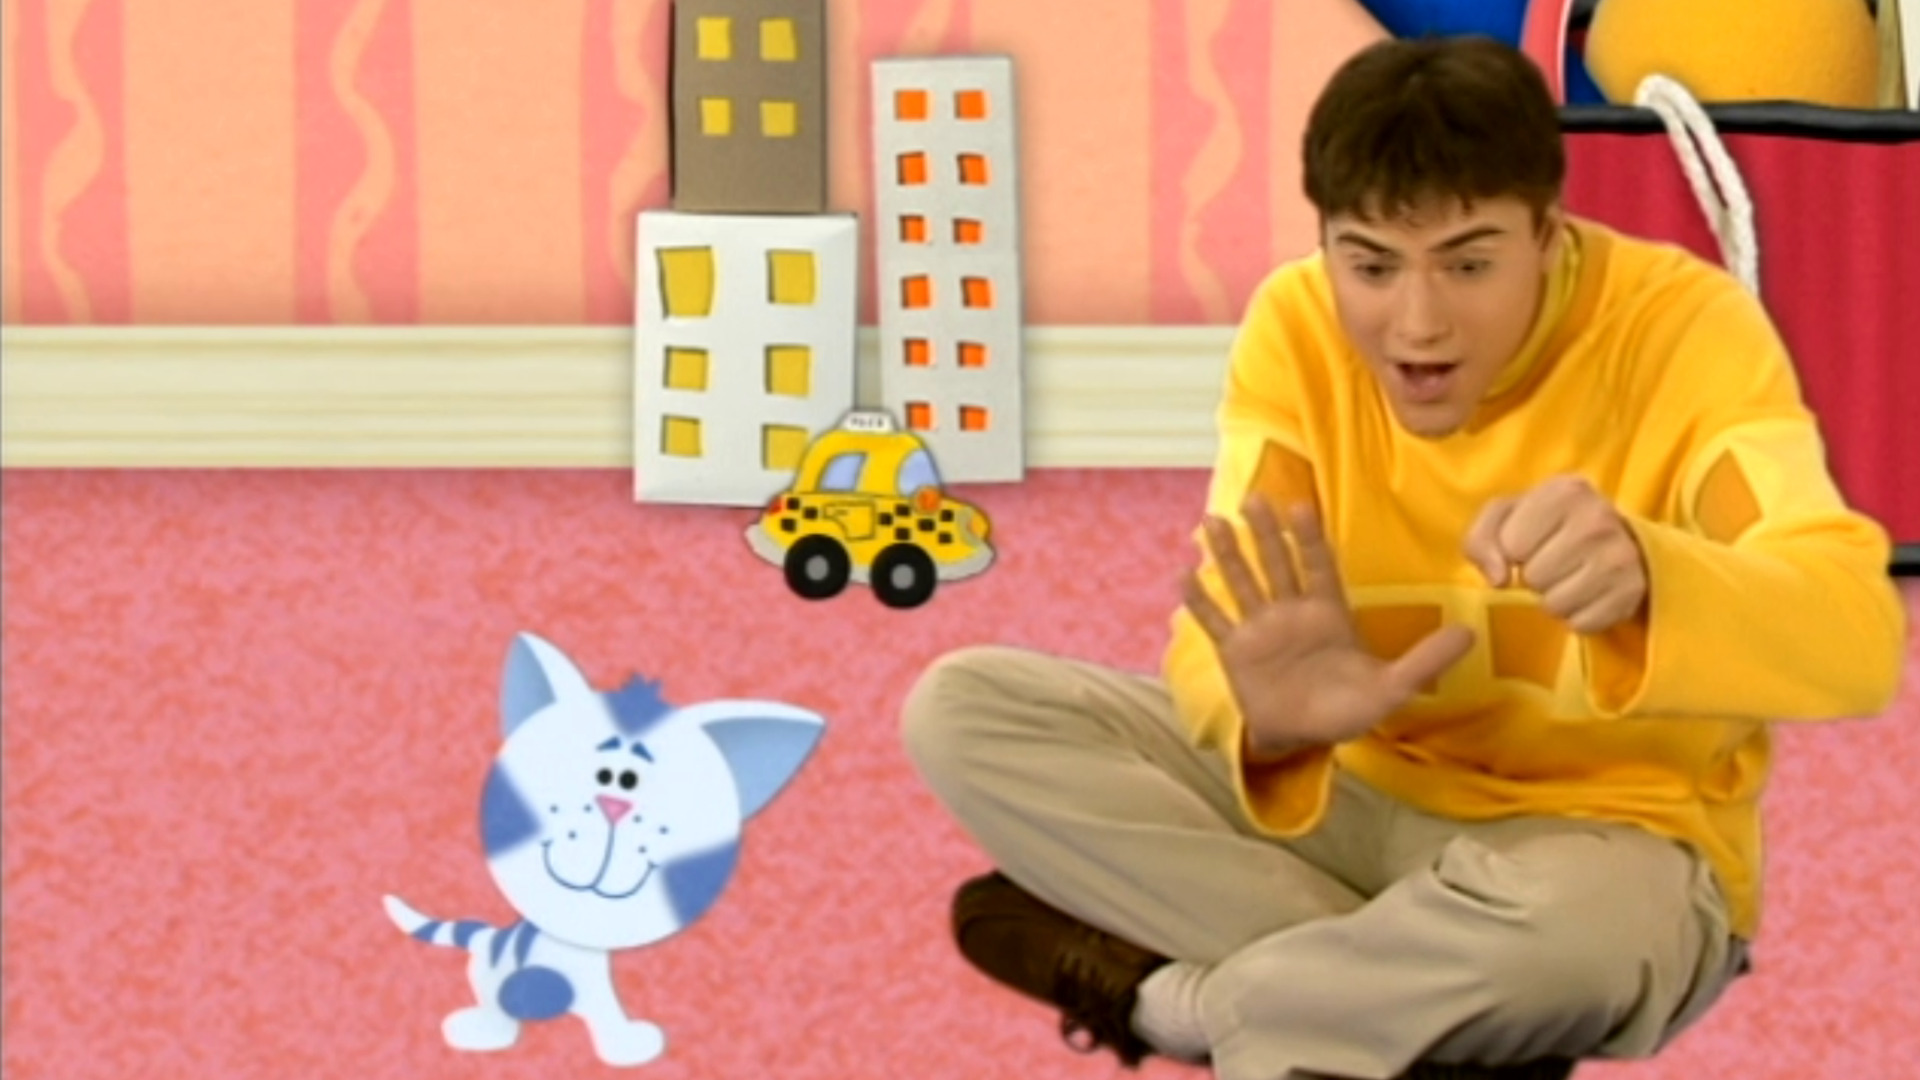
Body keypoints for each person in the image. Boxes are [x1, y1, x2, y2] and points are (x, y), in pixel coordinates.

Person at [899, 34, 1907, 1080]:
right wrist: (1269, 720)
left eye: (1468, 263)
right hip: (1356, 802)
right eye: (1372, 265)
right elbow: (1226, 625)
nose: (1417, 325)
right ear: (1328, 244)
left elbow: (1854, 632)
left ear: (1547, 232)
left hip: (1601, 846)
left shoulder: (1686, 328)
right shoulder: (1296, 325)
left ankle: (1189, 1005)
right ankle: (1406, 1006)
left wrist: (1658, 577)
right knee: (967, 708)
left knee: (1578, 938)